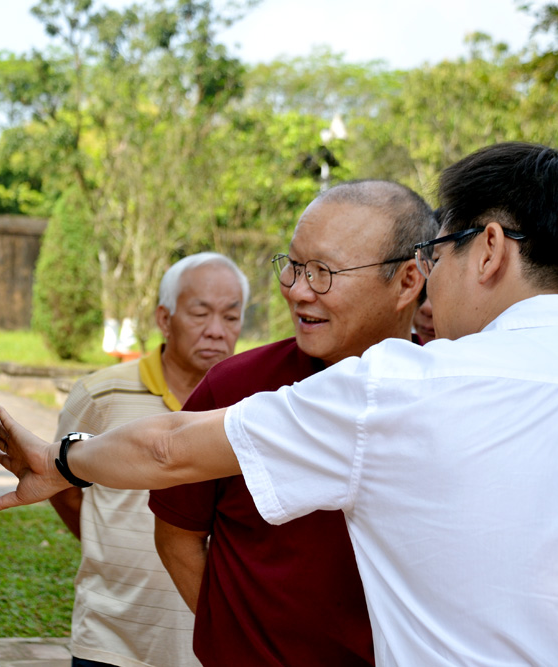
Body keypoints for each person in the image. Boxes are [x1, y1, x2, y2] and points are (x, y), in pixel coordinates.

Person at [0, 142, 558, 665]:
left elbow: (167, 448)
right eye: (294, 267)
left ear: (490, 249)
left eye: (441, 255)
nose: (299, 291)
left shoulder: (405, 389)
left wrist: (61, 461)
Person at [149, 180, 436, 666]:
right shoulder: (236, 386)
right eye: (295, 266)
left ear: (408, 281)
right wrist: (237, 646)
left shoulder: (450, 397)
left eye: (324, 272)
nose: (298, 290)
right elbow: (176, 532)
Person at [49, 252, 249, 667]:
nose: (216, 331)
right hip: (112, 640)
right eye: (200, 314)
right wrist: (108, 545)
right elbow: (61, 485)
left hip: (209, 646)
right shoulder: (101, 395)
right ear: (164, 319)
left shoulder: (249, 407)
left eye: (231, 317)